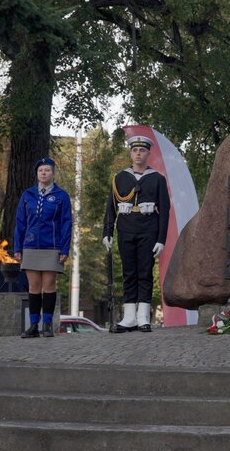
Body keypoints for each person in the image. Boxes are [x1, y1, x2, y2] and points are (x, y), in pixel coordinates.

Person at [102, 135, 170, 333]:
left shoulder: (157, 179)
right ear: (130, 153)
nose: (138, 154)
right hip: (126, 229)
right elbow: (111, 207)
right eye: (134, 150)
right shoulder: (119, 178)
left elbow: (164, 211)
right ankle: (129, 317)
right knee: (129, 272)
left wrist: (161, 239)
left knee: (145, 272)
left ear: (148, 153)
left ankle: (143, 317)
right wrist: (107, 232)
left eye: (142, 150)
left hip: (148, 229)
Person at [14, 157, 73, 338]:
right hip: (30, 245)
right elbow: (20, 222)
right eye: (41, 170)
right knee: (34, 286)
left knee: (49, 285)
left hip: (52, 246)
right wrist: (17, 247)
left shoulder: (61, 196)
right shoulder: (28, 195)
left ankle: (47, 324)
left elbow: (66, 223)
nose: (44, 173)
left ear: (53, 173)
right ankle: (33, 325)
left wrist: (64, 248)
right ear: (37, 174)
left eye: (47, 170)